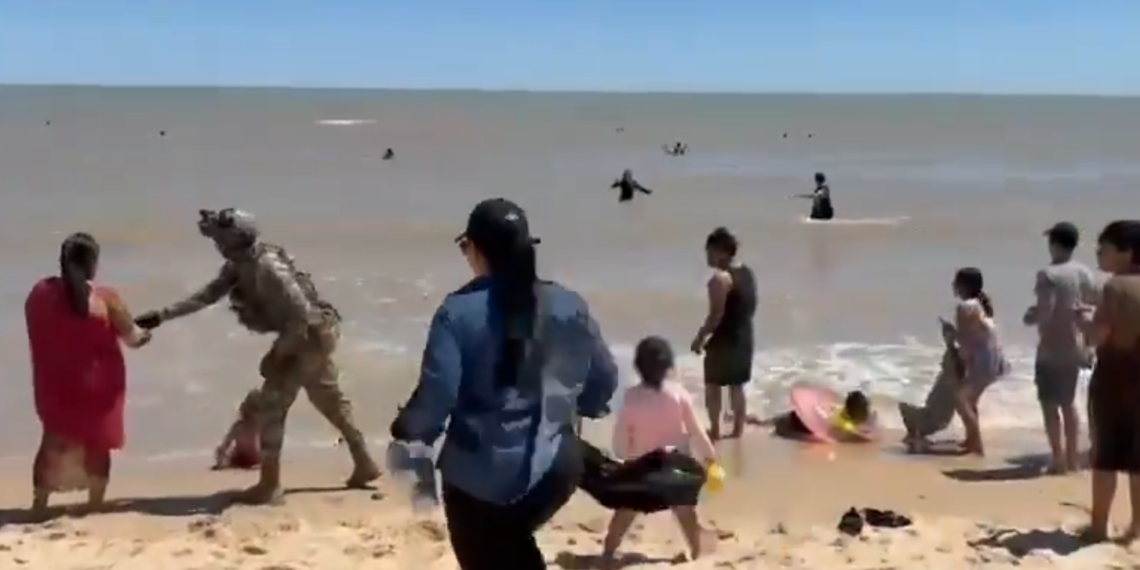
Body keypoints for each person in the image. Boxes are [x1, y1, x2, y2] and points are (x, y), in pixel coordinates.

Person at [387, 198, 620, 570]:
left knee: (491, 541)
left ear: (477, 250)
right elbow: (603, 381)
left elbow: (438, 394)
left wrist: (409, 433)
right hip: (559, 468)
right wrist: (584, 407)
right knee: (510, 541)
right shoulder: (567, 303)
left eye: (465, 247)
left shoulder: (456, 313)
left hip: (480, 481)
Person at [133, 208, 379, 504]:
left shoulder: (267, 266)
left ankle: (270, 485)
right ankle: (364, 462)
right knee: (329, 401)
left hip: (309, 334)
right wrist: (162, 316)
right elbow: (206, 296)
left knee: (273, 405)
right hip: (314, 335)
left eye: (222, 239)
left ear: (235, 239)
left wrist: (278, 354)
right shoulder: (239, 263)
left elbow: (303, 315)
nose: (217, 244)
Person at [25, 233, 152, 516]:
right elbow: (133, 338)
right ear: (92, 262)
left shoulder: (39, 294)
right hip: (98, 389)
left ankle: (39, 505)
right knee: (97, 445)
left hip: (54, 386)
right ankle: (95, 505)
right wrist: (147, 332)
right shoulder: (106, 299)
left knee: (52, 442)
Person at [603, 336, 718, 568]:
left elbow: (620, 441)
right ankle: (695, 553)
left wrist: (624, 459)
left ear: (638, 367)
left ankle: (608, 552)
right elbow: (698, 433)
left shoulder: (631, 398)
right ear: (669, 367)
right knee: (686, 513)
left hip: (643, 471)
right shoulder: (680, 395)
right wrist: (711, 459)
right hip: (675, 470)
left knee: (625, 511)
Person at [1076, 220, 1140, 543]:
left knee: (1107, 457)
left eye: (1104, 249)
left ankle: (1099, 527)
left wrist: (1083, 320)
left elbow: (1099, 336)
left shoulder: (1115, 287)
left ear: (1128, 253)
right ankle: (1136, 530)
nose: (1099, 254)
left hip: (1116, 378)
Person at [1023, 222, 1101, 474]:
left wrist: (1031, 317)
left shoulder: (1048, 274)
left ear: (1054, 244)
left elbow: (1045, 310)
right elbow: (1095, 302)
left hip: (1051, 347)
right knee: (1068, 403)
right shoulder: (1083, 272)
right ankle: (1072, 459)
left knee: (1048, 404)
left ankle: (1057, 459)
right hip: (1075, 345)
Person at [691, 227, 757, 440]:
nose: (707, 256)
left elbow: (715, 315)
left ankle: (716, 430)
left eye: (709, 251)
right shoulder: (747, 273)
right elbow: (751, 304)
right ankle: (737, 431)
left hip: (724, 340)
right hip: (744, 335)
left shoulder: (720, 279)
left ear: (721, 251)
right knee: (736, 387)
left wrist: (699, 339)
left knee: (713, 386)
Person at [946, 267, 1009, 456]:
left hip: (984, 359)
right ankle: (971, 439)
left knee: (961, 399)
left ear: (962, 285)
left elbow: (964, 341)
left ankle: (977, 443)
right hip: (993, 356)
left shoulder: (965, 307)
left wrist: (949, 336)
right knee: (970, 399)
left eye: (956, 282)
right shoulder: (979, 304)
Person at [899, 327, 965, 453]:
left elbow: (953, 359)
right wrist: (949, 341)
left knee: (903, 407)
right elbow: (953, 358)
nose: (941, 363)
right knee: (905, 407)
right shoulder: (950, 378)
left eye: (943, 362)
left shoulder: (951, 380)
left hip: (933, 420)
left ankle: (916, 435)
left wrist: (950, 341)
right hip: (933, 417)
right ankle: (916, 434)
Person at [750, 390, 877, 443]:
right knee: (769, 426)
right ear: (855, 413)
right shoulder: (844, 424)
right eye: (865, 410)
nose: (867, 412)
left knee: (764, 423)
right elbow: (860, 437)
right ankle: (751, 420)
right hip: (796, 423)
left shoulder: (844, 411)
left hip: (799, 416)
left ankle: (751, 419)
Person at [213, 388, 263, 470]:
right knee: (221, 451)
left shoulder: (256, 425)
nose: (256, 416)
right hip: (240, 457)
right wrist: (221, 455)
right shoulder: (239, 426)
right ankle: (222, 462)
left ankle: (223, 462)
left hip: (251, 458)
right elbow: (225, 444)